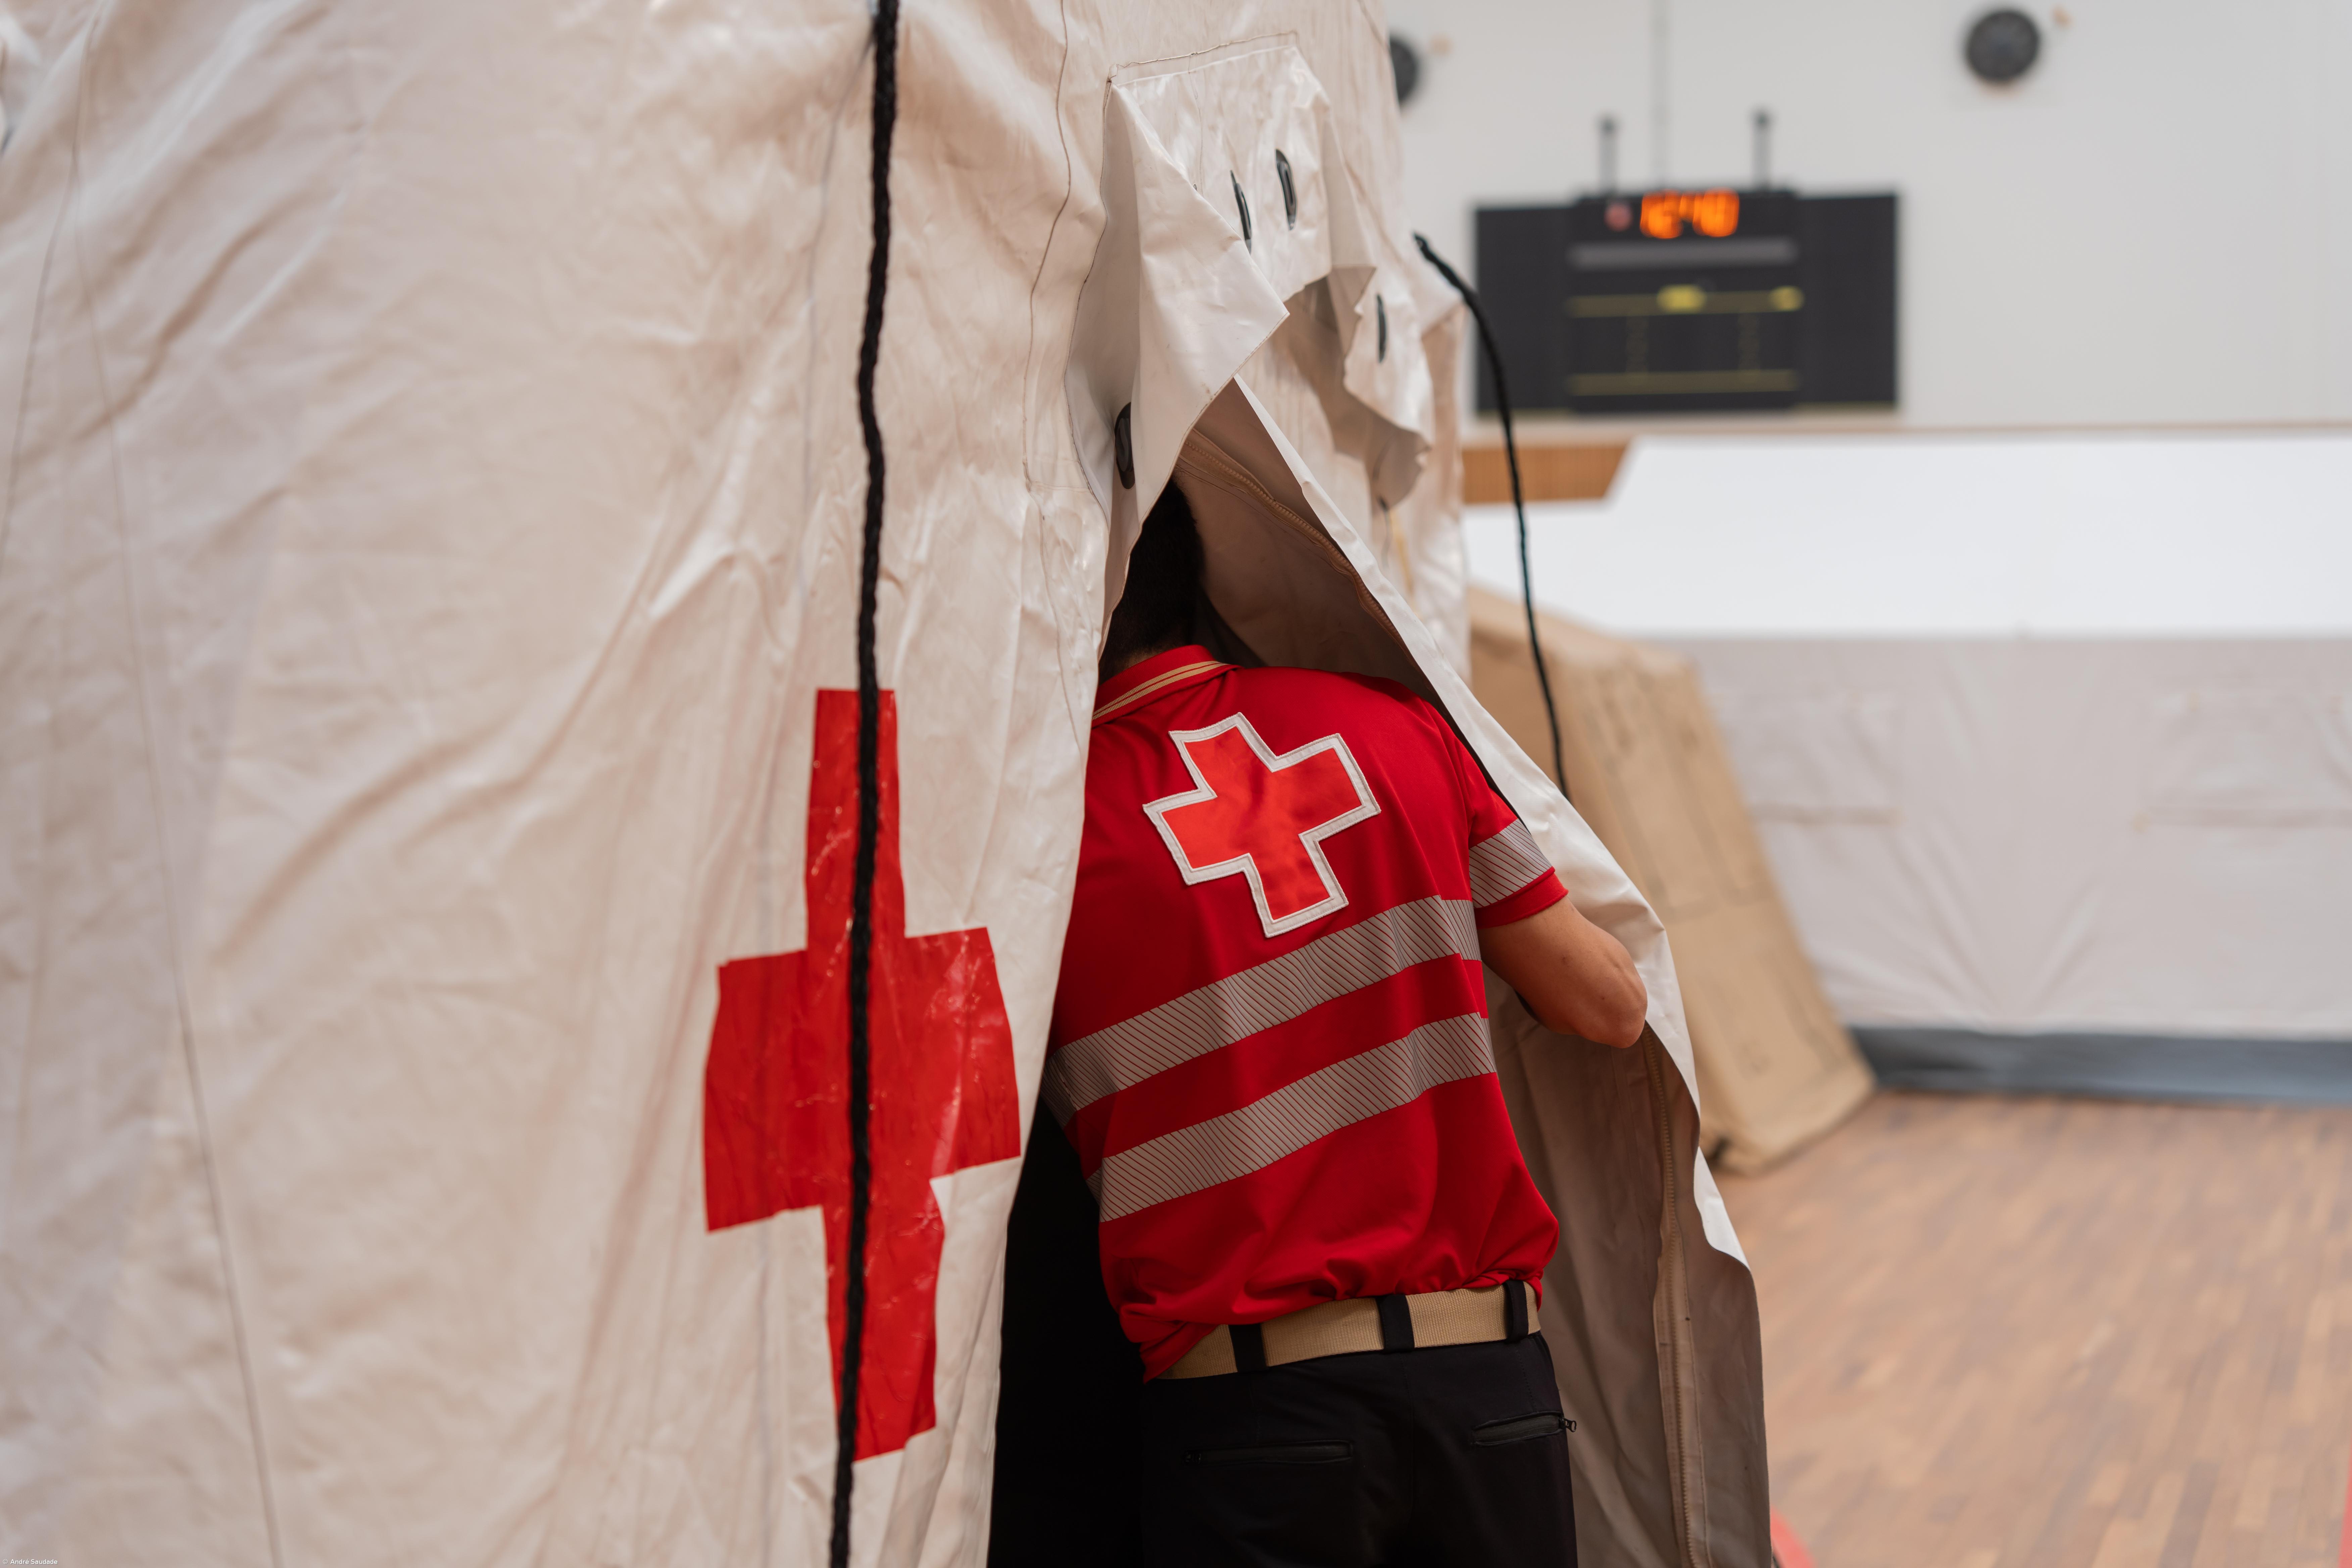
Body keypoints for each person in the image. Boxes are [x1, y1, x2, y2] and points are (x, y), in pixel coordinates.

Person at [1043, 480, 1648, 1567]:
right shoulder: (1396, 726)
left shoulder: (1041, 840)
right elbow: (1607, 1005)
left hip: (1251, 1420)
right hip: (1489, 1392)